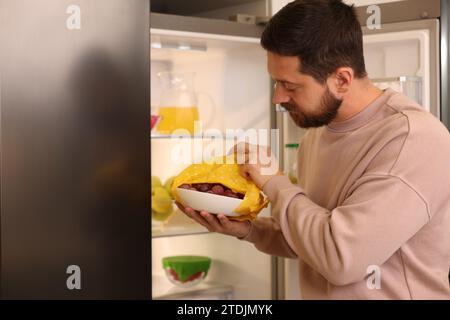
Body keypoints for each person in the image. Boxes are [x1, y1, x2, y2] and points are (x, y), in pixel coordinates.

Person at [176, 0, 450, 299]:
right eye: (275, 82)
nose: (277, 98)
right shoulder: (317, 135)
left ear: (341, 79)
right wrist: (249, 230)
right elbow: (310, 238)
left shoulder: (412, 141)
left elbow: (341, 258)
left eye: (290, 86)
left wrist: (273, 181)